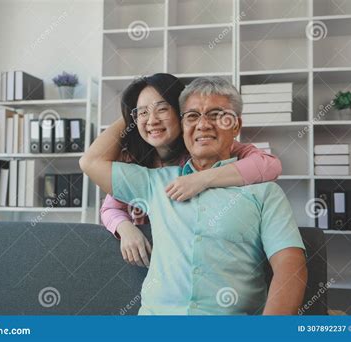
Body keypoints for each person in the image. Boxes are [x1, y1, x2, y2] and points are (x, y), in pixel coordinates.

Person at [80, 76, 307, 315]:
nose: (203, 125)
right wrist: (134, 112)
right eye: (192, 116)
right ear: (183, 125)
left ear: (236, 126)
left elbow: (290, 267)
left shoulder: (262, 190)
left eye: (217, 115)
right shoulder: (154, 180)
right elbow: (91, 162)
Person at [99, 73, 282, 268]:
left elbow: (269, 165)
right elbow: (110, 206)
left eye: (162, 109)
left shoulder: (203, 149)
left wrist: (202, 179)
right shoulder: (133, 157)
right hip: (147, 257)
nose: (152, 120)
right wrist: (125, 228)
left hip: (193, 257)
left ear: (181, 113)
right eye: (143, 113)